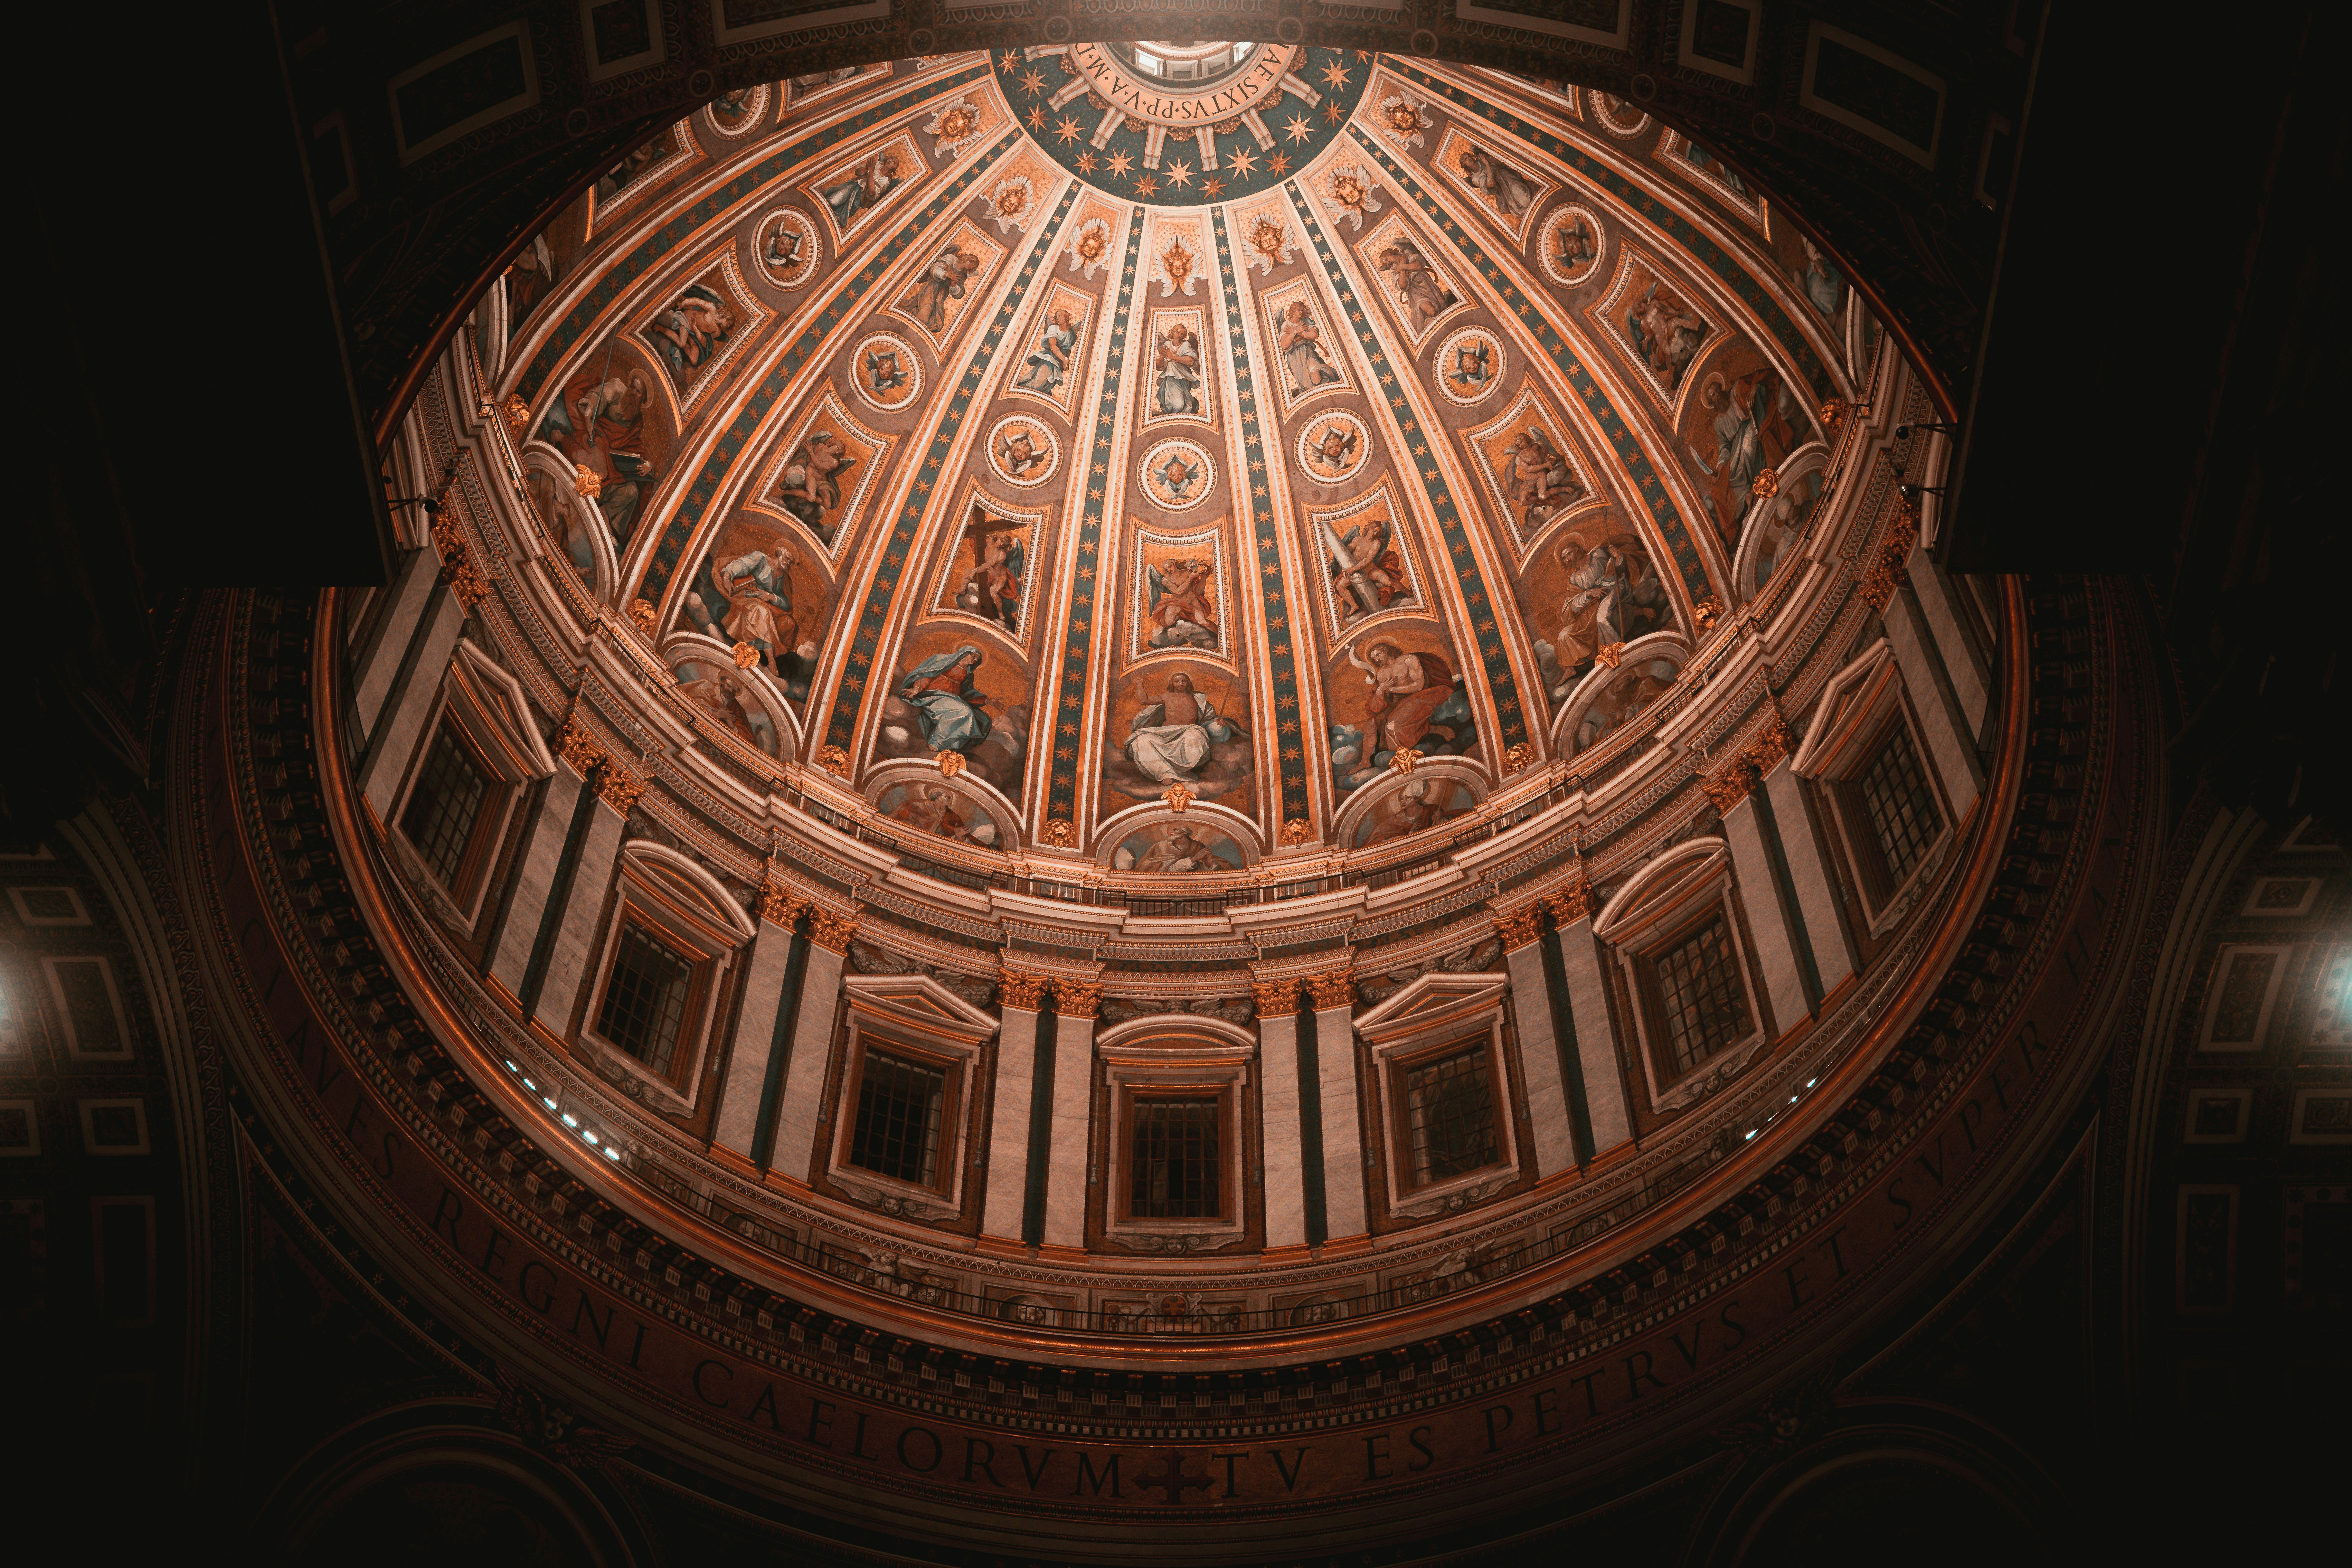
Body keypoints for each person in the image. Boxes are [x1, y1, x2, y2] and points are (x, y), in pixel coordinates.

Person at [543, 363, 655, 547]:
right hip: (593, 437)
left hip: (610, 461)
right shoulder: (618, 388)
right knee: (593, 459)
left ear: (644, 399)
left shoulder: (637, 419)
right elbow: (598, 397)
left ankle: (605, 520)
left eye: (639, 392)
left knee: (631, 492)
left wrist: (648, 464)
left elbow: (636, 445)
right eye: (633, 388)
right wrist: (589, 417)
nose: (634, 393)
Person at [1124, 673, 1238, 783]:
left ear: (1188, 683)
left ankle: (1181, 771)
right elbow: (1145, 701)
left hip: (1188, 730)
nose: (1181, 683)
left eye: (1184, 681)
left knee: (1195, 737)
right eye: (1177, 681)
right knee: (1142, 740)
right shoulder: (1167, 696)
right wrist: (1139, 685)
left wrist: (1219, 722)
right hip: (1165, 733)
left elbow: (1209, 719)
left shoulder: (1198, 699)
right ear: (1172, 683)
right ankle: (1165, 773)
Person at [713, 541, 797, 671]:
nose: (788, 563)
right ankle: (770, 660)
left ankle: (753, 650)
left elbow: (786, 604)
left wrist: (772, 597)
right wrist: (728, 576)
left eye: (791, 562)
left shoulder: (785, 579)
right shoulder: (761, 559)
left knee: (790, 624)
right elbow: (742, 565)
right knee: (762, 612)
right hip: (749, 598)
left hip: (768, 604)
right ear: (780, 553)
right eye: (787, 558)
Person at [1362, 640, 1458, 754]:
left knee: (1391, 727)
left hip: (1420, 697)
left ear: (1386, 650)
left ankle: (1403, 756)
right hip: (1399, 704)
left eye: (1378, 655)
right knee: (1378, 725)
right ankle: (1375, 761)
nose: (1377, 660)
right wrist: (1380, 690)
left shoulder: (1408, 660)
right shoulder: (1382, 674)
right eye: (1374, 659)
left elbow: (1418, 686)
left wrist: (1392, 689)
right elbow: (1384, 701)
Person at [897, 646, 991, 753]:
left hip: (953, 699)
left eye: (977, 659)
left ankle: (950, 745)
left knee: (982, 719)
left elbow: (967, 694)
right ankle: (937, 742)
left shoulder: (969, 674)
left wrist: (986, 701)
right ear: (965, 653)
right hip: (934, 695)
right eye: (974, 656)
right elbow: (928, 674)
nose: (975, 660)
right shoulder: (944, 661)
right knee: (964, 712)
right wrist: (917, 689)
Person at [645, 285, 733, 387]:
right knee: (682, 343)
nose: (728, 326)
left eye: (729, 326)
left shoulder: (717, 332)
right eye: (729, 323)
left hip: (695, 333)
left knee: (694, 360)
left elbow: (703, 340)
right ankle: (662, 329)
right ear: (726, 316)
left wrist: (695, 328)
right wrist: (682, 305)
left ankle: (682, 348)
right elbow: (696, 301)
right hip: (688, 318)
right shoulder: (712, 309)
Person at [901, 242, 981, 333]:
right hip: (932, 287)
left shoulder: (963, 276)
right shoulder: (951, 259)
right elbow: (934, 269)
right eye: (972, 265)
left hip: (941, 295)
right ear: (968, 260)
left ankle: (911, 308)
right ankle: (908, 310)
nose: (971, 269)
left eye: (972, 268)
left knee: (937, 326)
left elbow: (959, 295)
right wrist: (947, 274)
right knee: (923, 317)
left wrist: (953, 284)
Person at [955, 528, 1023, 630]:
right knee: (967, 572)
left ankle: (1001, 614)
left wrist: (975, 571)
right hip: (989, 574)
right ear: (998, 539)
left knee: (993, 592)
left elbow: (988, 565)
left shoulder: (1001, 554)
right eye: (1002, 541)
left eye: (1004, 543)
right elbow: (980, 533)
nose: (1002, 544)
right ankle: (962, 590)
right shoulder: (990, 543)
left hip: (999, 577)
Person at [1377, 237, 1455, 323]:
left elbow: (1419, 265)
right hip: (1414, 293)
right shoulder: (1394, 270)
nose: (1388, 262)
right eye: (1386, 262)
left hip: (1425, 284)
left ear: (1389, 253)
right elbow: (1403, 286)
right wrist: (1402, 269)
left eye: (1387, 259)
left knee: (1440, 307)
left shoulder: (1406, 253)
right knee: (1431, 312)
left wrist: (1403, 267)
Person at [819, 151, 900, 232]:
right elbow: (858, 173)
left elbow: (872, 192)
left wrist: (871, 173)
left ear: (894, 168)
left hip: (860, 197)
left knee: (837, 205)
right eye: (891, 158)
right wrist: (867, 168)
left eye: (894, 162)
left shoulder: (886, 180)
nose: (891, 161)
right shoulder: (878, 165)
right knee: (832, 201)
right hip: (853, 185)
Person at [1277, 301, 1344, 394]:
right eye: (1298, 310)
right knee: (1306, 385)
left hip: (1308, 352)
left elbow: (1315, 335)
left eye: (1302, 310)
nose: (1301, 312)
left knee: (1316, 374)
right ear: (1293, 311)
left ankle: (1327, 392)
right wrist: (1295, 332)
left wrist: (1301, 333)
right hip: (1294, 357)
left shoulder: (1306, 321)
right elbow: (1284, 345)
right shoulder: (1286, 325)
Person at [1146, 558, 1218, 644]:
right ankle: (1182, 626)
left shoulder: (1187, 573)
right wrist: (1190, 579)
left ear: (1174, 564)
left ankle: (1220, 638)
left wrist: (1204, 577)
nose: (1169, 570)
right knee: (1169, 622)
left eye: (1170, 566)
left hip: (1192, 603)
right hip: (1177, 603)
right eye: (1166, 569)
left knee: (1204, 622)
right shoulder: (1166, 580)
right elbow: (1178, 592)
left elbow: (1199, 591)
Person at [1458, 145, 1538, 218]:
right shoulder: (1475, 178)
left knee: (1522, 194)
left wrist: (1489, 160)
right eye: (1466, 159)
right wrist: (1487, 164)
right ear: (1465, 165)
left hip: (1507, 177)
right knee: (1521, 203)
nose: (1469, 159)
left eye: (1468, 157)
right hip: (1502, 189)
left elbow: (1499, 162)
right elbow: (1491, 185)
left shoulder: (1481, 160)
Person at [1014, 306, 1080, 395]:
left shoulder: (1070, 333)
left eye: (1060, 316)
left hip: (1060, 363)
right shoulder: (1054, 329)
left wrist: (1066, 361)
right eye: (1056, 316)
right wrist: (1064, 360)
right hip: (1050, 359)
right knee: (1037, 384)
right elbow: (1053, 347)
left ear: (1066, 317)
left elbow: (1068, 349)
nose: (1057, 318)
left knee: (1046, 387)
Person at [1153, 322, 1202, 414]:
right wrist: (1163, 357)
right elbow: (1158, 366)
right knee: (1177, 405)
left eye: (1183, 334)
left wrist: (1173, 357)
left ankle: (1192, 403)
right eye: (1178, 333)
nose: (1180, 335)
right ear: (1173, 333)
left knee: (1186, 402)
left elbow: (1191, 361)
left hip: (1183, 377)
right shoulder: (1167, 344)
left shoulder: (1185, 345)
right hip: (1169, 377)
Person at [1134, 824, 1221, 873]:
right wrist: (1194, 859)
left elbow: (1207, 870)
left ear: (1184, 832)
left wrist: (1209, 863)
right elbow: (1160, 869)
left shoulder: (1198, 846)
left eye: (1175, 830)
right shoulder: (1161, 847)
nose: (1170, 833)